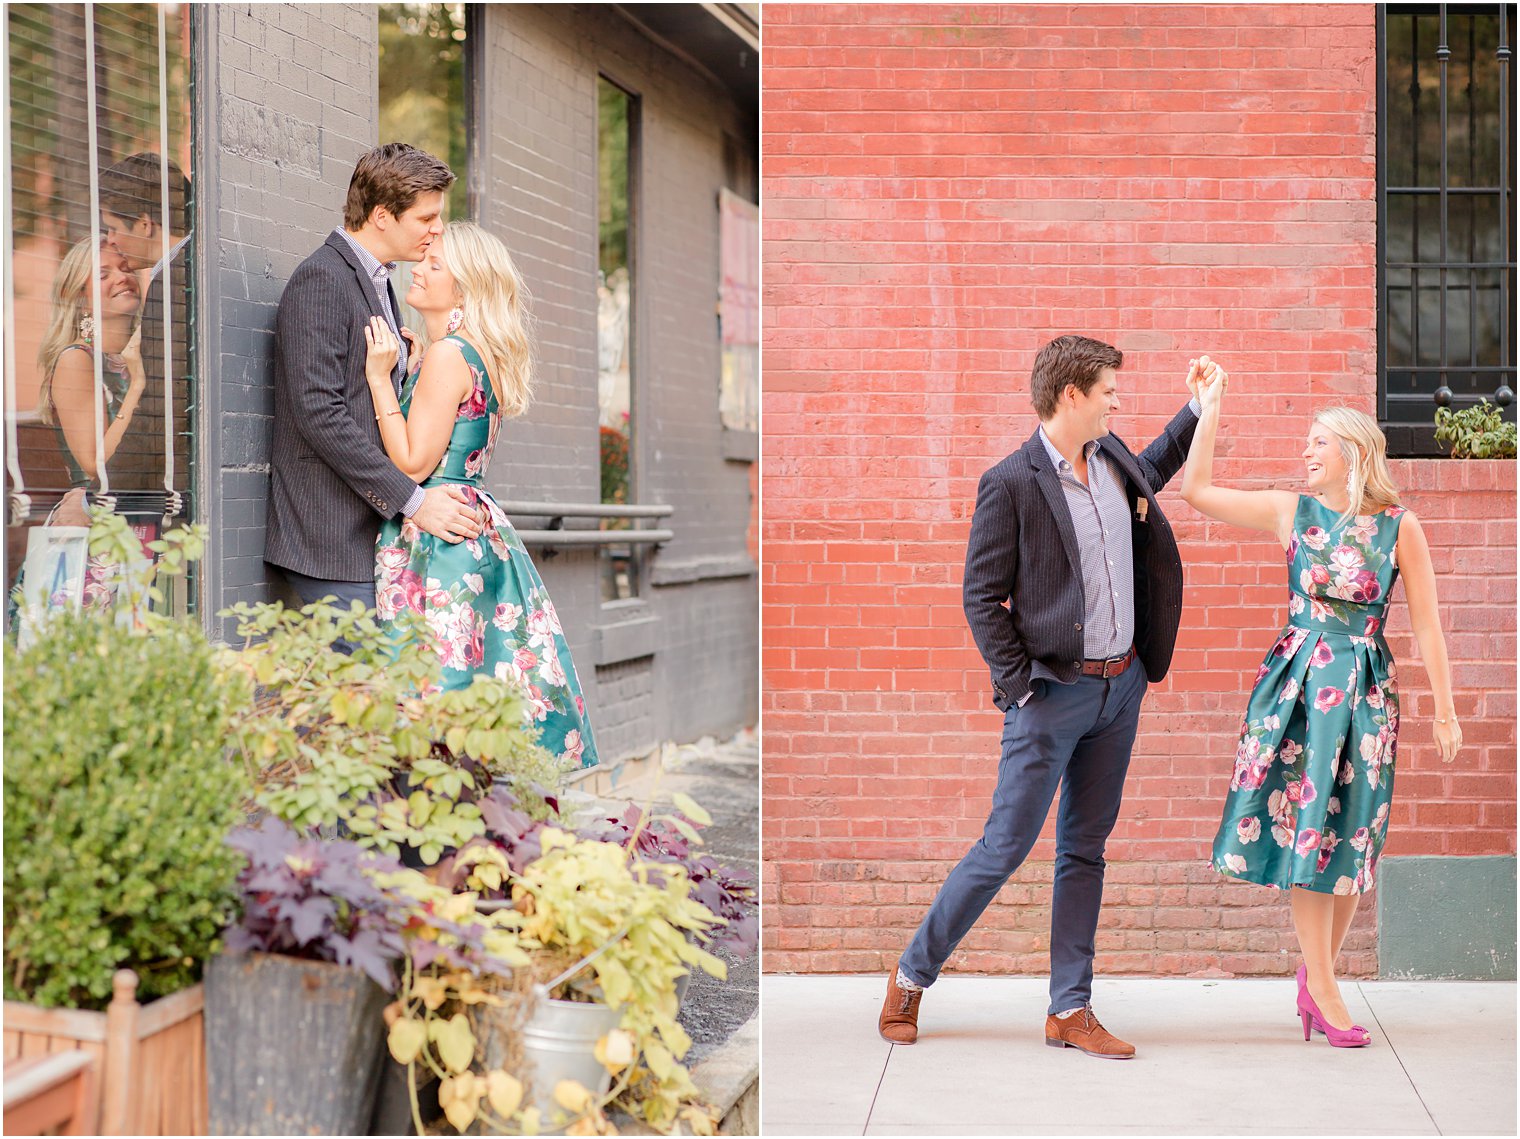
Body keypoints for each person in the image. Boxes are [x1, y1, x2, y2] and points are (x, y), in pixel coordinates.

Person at [879, 335, 1205, 1058]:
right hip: (1050, 695)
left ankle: (1070, 1008)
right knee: (1005, 845)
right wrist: (1023, 686)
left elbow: (1154, 468)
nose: (1118, 402)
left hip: (1121, 689)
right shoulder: (1012, 482)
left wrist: (1197, 410)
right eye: (1109, 392)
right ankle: (911, 973)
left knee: (1084, 848)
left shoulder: (1115, 458)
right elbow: (979, 596)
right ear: (1071, 396)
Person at [1180, 360, 1462, 1048]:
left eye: (1317, 442)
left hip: (1366, 691)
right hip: (1300, 688)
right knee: (1310, 827)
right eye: (1304, 443)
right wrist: (1208, 408)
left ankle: (1317, 977)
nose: (1304, 452)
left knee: (1352, 832)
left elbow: (1426, 623)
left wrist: (1446, 708)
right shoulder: (1291, 512)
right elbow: (1196, 490)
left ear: (1354, 453)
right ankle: (1326, 987)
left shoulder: (1400, 527)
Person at [362, 221, 598, 771]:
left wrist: (379, 378)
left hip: (438, 534)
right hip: (472, 524)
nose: (417, 268)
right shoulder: (468, 353)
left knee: (434, 696)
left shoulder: (448, 356)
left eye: (435, 265)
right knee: (473, 686)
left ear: (464, 289)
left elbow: (414, 462)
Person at [266, 143, 484, 612]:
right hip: (330, 544)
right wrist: (414, 501)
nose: (437, 229)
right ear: (383, 215)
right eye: (426, 218)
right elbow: (318, 412)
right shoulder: (323, 279)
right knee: (374, 682)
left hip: (368, 539)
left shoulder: (380, 282)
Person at [98, 151, 191, 510]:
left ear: (144, 223)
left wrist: (97, 501)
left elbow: (162, 410)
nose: (110, 240)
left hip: (176, 500)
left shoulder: (177, 281)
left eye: (113, 228)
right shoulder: (195, 266)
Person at [36, 238, 146, 516]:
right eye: (102, 274)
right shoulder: (76, 359)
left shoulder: (143, 356)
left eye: (125, 268)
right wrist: (138, 385)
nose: (122, 278)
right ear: (79, 296)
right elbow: (96, 466)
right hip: (99, 535)